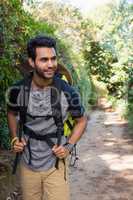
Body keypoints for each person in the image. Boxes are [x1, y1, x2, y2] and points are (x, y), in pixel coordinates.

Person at [7, 35, 87, 200]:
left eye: (53, 58)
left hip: (56, 163)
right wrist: (15, 138)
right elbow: (11, 113)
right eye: (44, 60)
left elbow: (81, 120)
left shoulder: (68, 92)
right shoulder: (17, 90)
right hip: (27, 162)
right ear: (31, 62)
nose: (51, 64)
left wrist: (68, 147)